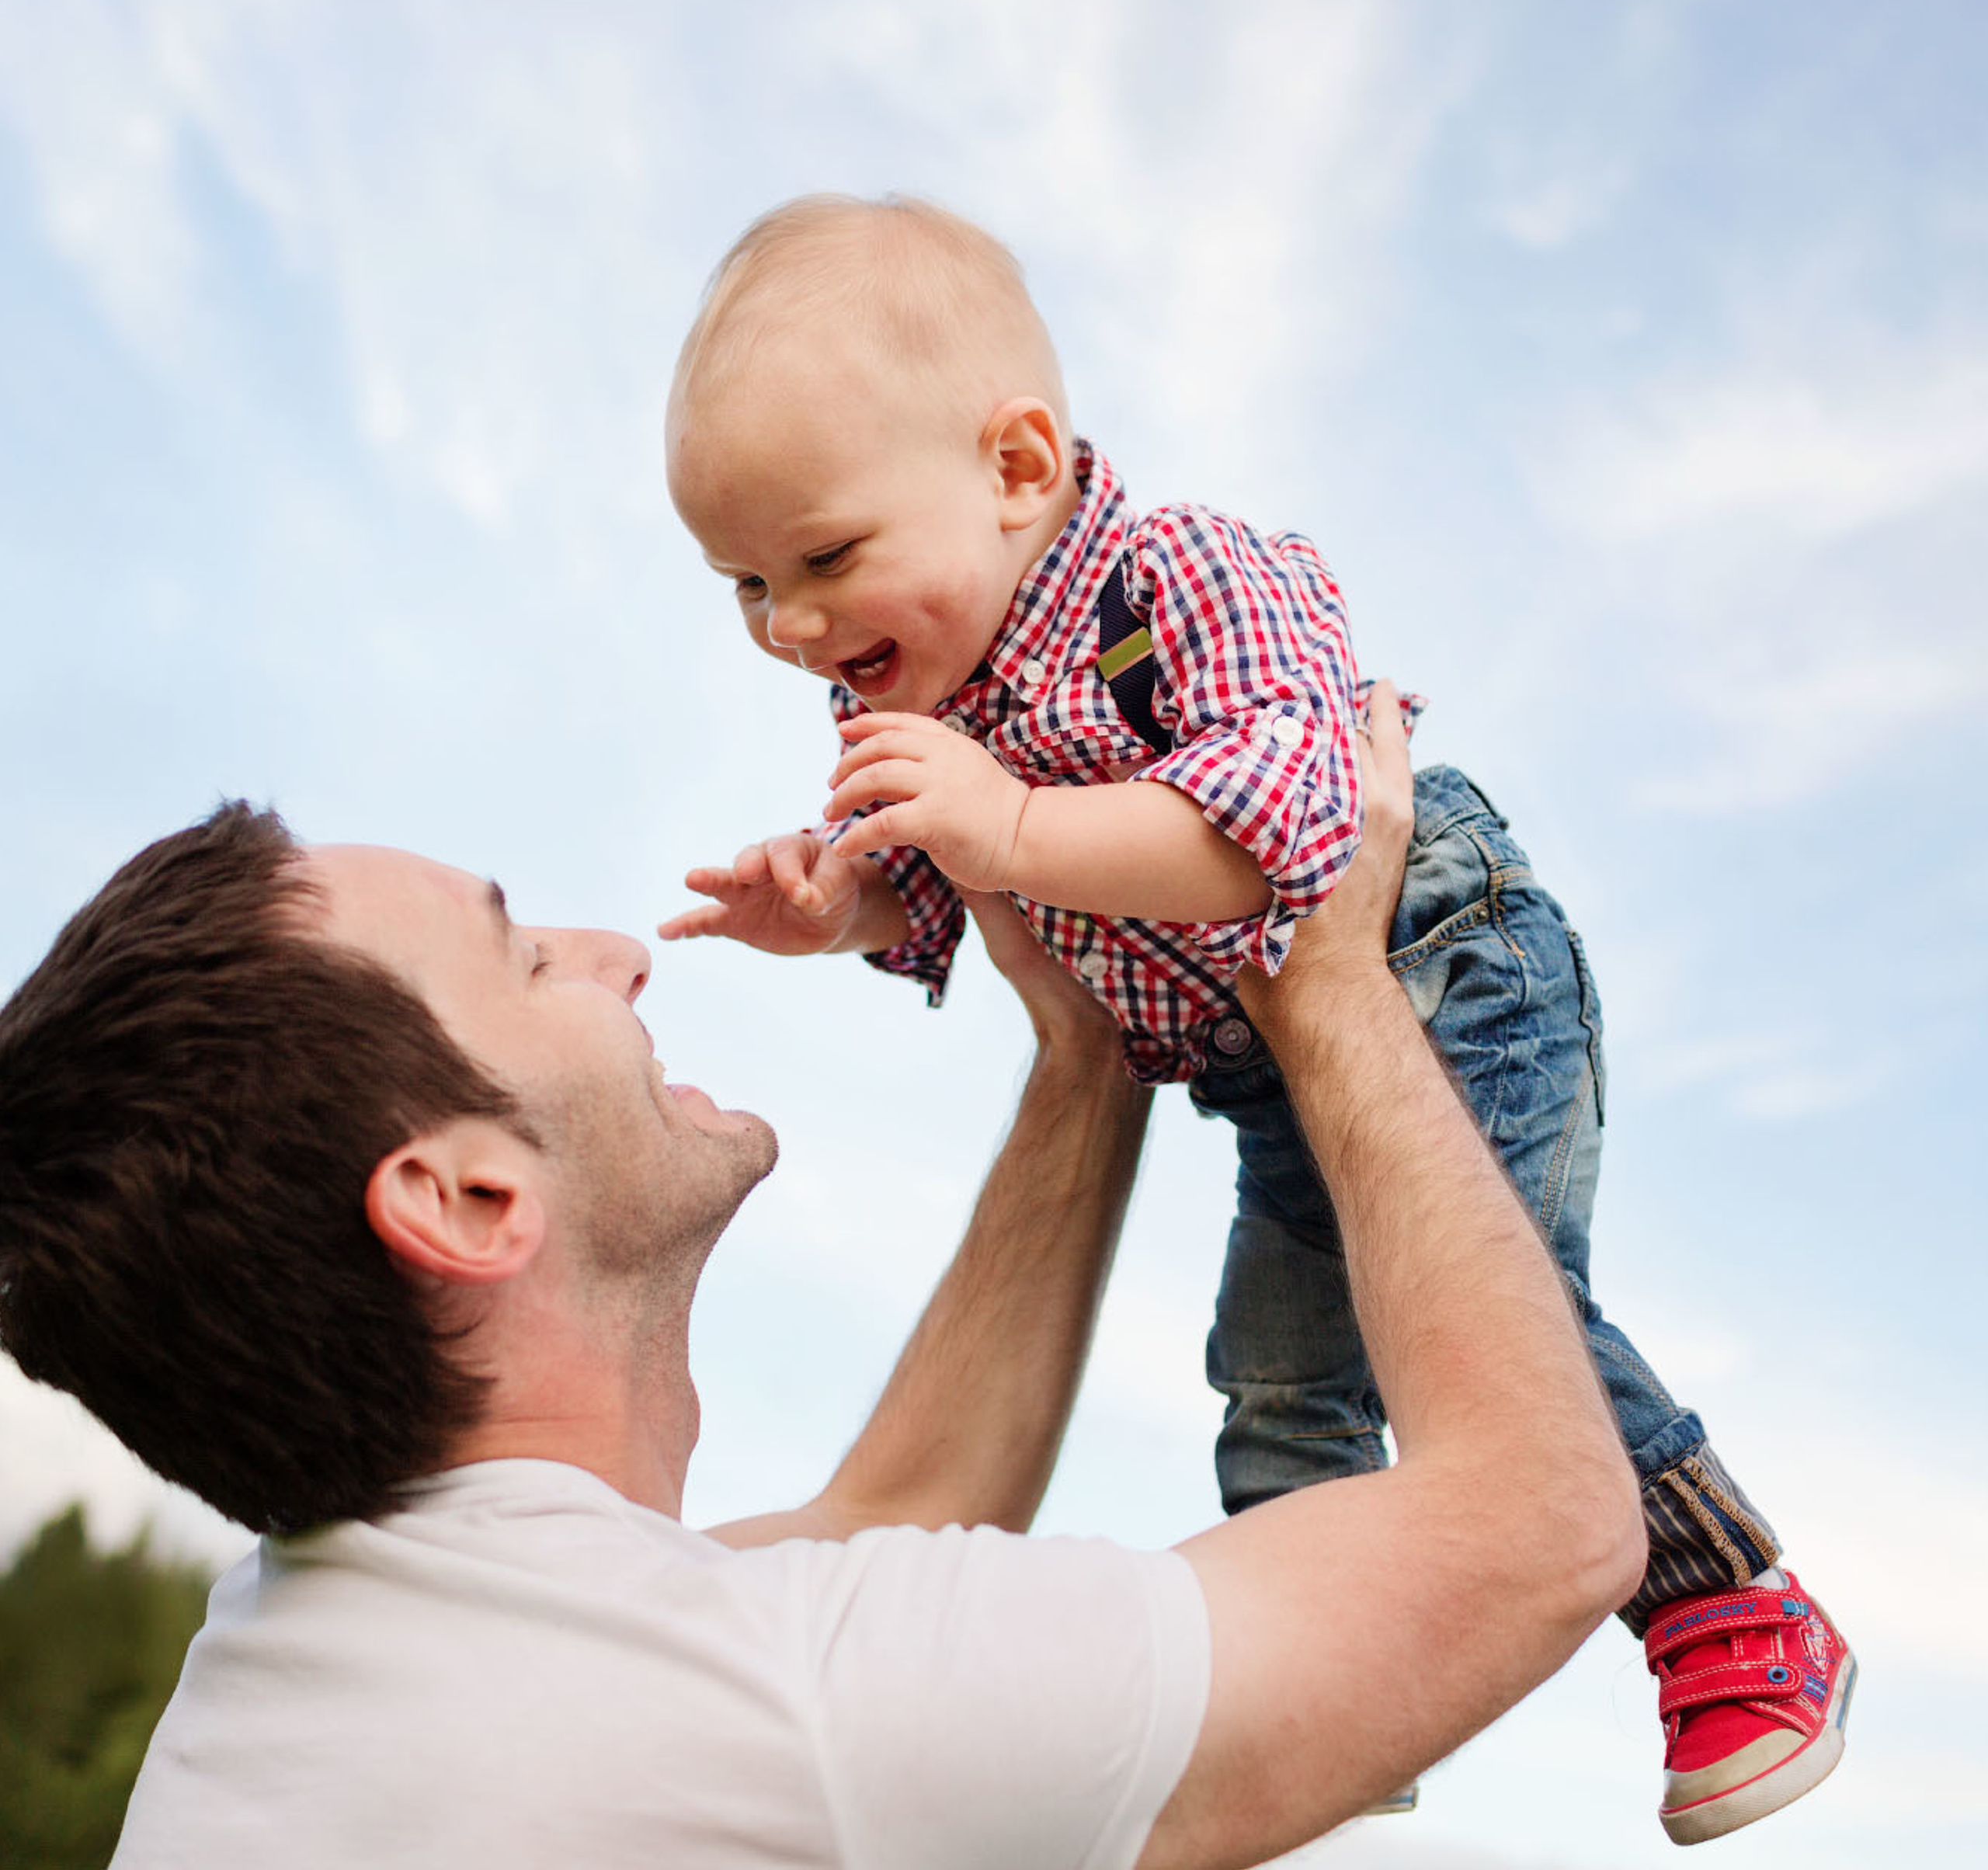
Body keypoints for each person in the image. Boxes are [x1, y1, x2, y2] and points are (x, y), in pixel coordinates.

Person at [659, 193, 1855, 1844]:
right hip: (1267, 1067)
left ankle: (1730, 1602)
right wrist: (846, 905)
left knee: (1481, 1303)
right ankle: (1341, 1674)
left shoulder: (1177, 580)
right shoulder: (926, 696)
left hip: (1440, 965)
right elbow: (953, 894)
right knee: (1279, 1372)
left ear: (1014, 469)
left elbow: (1283, 821)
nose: (788, 626)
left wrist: (1005, 825)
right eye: (741, 582)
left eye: (823, 557)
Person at [0, 696, 1647, 1866]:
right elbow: (1535, 1528)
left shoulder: (323, 1662)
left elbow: (908, 1501)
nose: (617, 950)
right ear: (461, 1194)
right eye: (522, 957)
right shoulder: (749, 1709)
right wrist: (1322, 964)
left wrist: (1083, 1053)